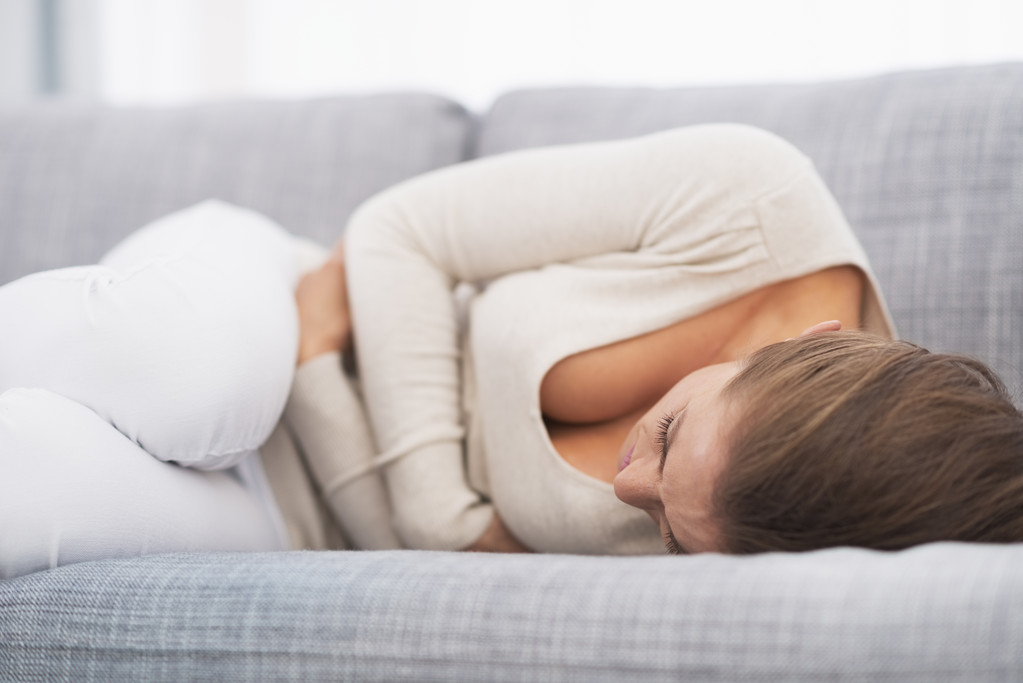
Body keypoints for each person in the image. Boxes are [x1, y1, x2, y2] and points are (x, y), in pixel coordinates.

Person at [1, 124, 1018, 578]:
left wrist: (330, 366)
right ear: (810, 346)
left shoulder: (759, 535)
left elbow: (404, 559)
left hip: (288, 517)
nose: (633, 498)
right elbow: (399, 233)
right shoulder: (753, 199)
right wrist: (441, 509)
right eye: (667, 437)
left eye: (665, 532)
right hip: (268, 306)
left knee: (27, 499)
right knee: (199, 378)